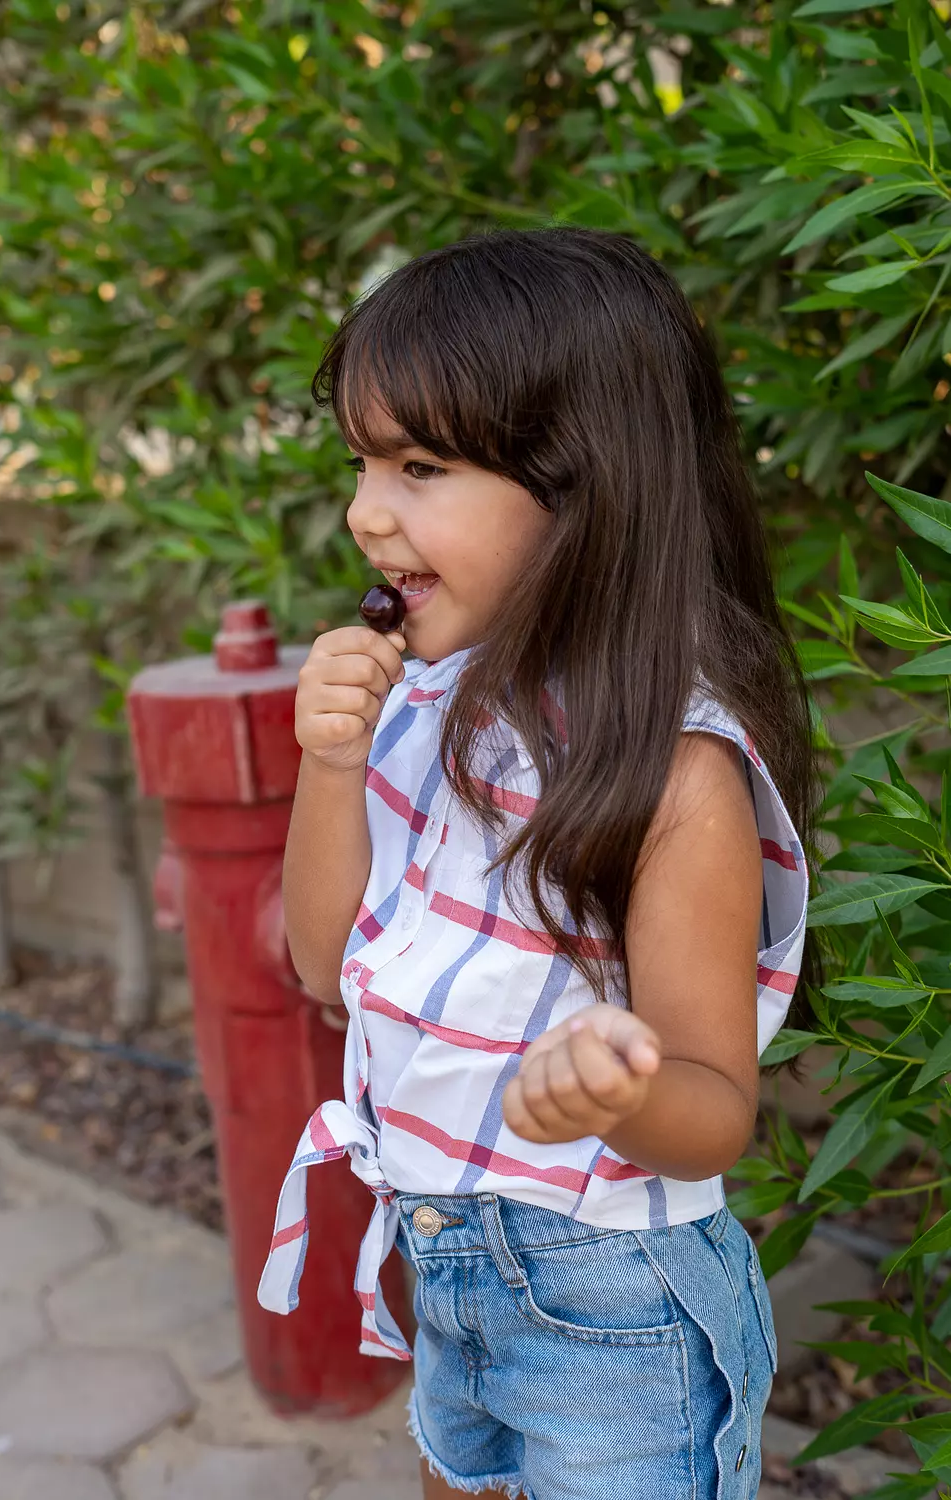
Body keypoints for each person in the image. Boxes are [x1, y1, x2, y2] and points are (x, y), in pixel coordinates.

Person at [258, 226, 821, 1500]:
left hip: (611, 1311)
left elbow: (711, 1113)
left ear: (586, 485)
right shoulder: (421, 708)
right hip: (442, 1262)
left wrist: (618, 1091)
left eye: (420, 465)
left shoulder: (676, 775)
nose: (364, 510)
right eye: (360, 461)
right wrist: (331, 765)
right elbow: (320, 964)